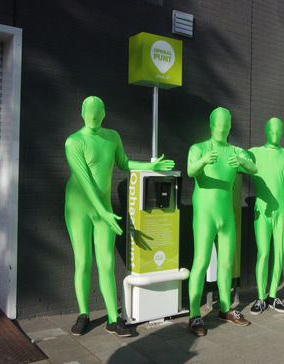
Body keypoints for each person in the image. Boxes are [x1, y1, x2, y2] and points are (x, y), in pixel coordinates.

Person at [65, 96, 174, 337]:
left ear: (104, 113)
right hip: (78, 207)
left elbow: (123, 163)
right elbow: (83, 180)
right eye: (89, 113)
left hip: (103, 208)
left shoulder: (112, 137)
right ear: (82, 113)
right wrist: (103, 211)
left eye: (97, 113)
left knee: (106, 262)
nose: (93, 118)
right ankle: (83, 313)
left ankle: (113, 320)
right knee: (83, 261)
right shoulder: (73, 142)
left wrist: (151, 167)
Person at [187, 107, 258, 336]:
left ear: (230, 125)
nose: (223, 127)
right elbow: (190, 171)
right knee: (200, 263)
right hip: (205, 215)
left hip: (227, 215)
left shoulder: (236, 151)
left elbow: (254, 168)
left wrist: (241, 161)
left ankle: (226, 309)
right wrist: (204, 160)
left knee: (227, 263)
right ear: (211, 123)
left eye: (226, 123)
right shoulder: (198, 148)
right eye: (219, 123)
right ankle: (194, 314)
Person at [247, 118, 284, 315]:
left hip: (283, 211)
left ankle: (273, 295)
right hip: (262, 210)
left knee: (279, 253)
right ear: (266, 130)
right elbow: (236, 168)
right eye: (272, 131)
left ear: (282, 131)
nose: (275, 135)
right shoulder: (255, 152)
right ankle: (260, 297)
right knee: (263, 253)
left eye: (279, 131)